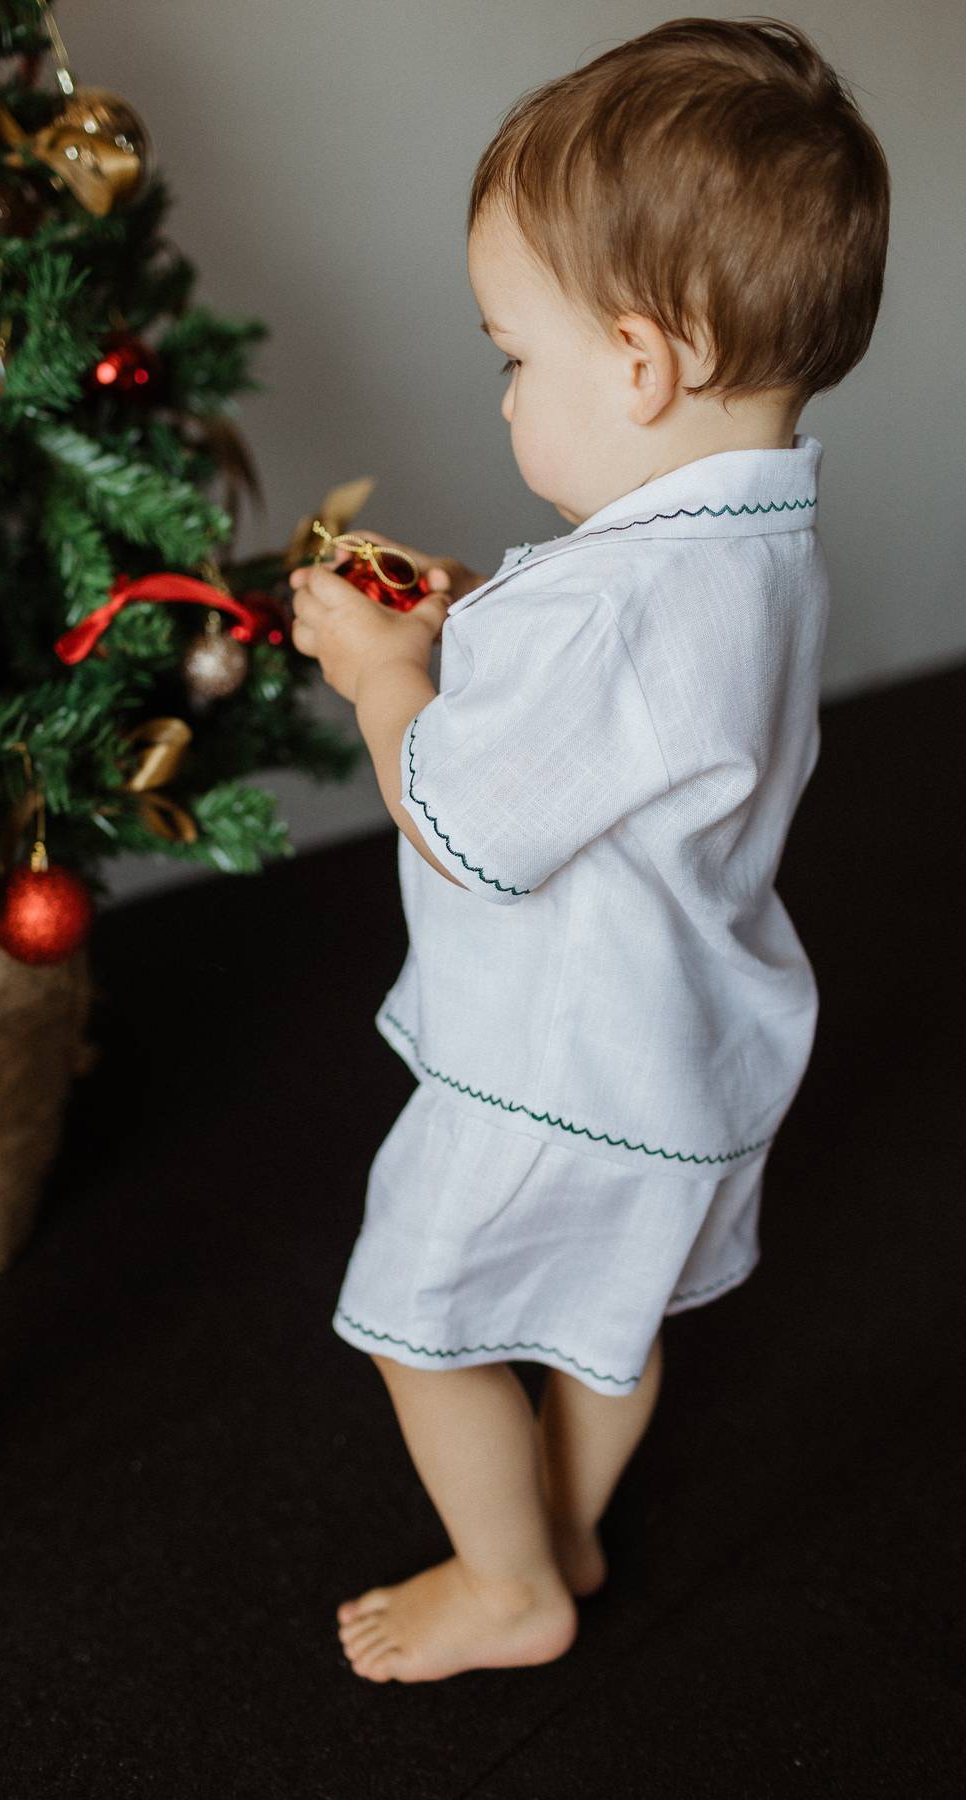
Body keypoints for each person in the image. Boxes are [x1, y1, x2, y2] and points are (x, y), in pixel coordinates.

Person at [287, 15, 889, 1685]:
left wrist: (383, 674)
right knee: (607, 1324)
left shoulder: (625, 605)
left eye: (512, 357)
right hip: (691, 1054)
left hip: (562, 1070)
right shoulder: (757, 527)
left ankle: (510, 1585)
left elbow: (468, 822)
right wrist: (474, 610)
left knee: (420, 1320)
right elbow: (630, 688)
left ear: (637, 366)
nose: (500, 394)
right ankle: (567, 1523)